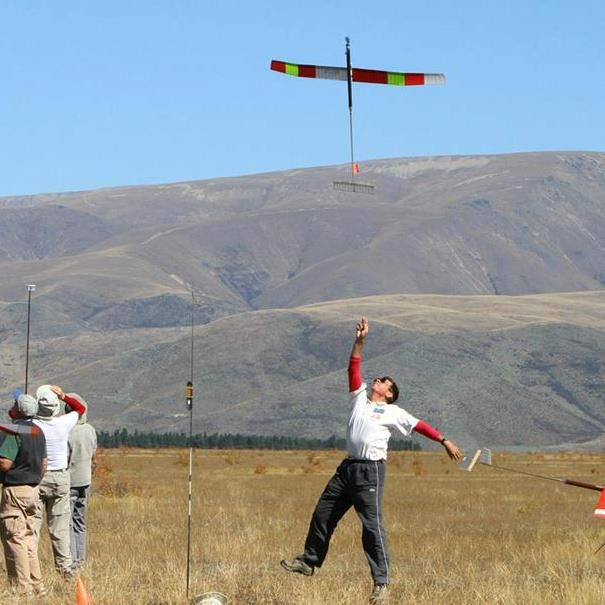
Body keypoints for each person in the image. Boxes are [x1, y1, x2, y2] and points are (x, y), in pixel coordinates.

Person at [281, 317, 463, 604]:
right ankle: (309, 561)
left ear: (389, 394)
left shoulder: (394, 412)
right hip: (347, 469)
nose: (377, 380)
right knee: (322, 514)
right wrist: (360, 340)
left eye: (384, 382)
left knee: (371, 527)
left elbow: (420, 426)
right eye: (378, 379)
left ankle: (381, 583)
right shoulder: (359, 399)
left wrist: (444, 440)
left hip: (370, 471)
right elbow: (353, 367)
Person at [32, 384, 85, 578]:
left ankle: (31, 569)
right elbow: (80, 409)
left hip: (38, 477)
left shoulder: (32, 425)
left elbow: (14, 414)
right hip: (61, 478)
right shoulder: (64, 422)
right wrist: (63, 396)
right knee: (60, 528)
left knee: (34, 525)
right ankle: (65, 570)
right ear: (55, 407)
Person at [0, 391, 48, 597]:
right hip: (33, 489)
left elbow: (5, 462)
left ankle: (22, 588)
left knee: (15, 538)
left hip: (15, 490)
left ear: (18, 410)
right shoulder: (38, 431)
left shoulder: (14, 432)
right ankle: (38, 586)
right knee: (28, 537)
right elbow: (44, 464)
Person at [67, 393, 97, 570]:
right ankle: (81, 560)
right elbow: (95, 458)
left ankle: (71, 560)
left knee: (68, 522)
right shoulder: (90, 430)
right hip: (85, 481)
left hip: (70, 481)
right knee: (80, 522)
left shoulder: (68, 431)